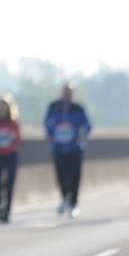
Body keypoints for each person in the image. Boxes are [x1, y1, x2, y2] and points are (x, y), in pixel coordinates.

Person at [44, 83, 92, 219]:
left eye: (70, 92)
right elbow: (47, 122)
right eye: (65, 91)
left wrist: (81, 136)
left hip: (75, 149)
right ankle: (65, 198)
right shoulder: (54, 106)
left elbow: (88, 125)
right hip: (59, 148)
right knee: (61, 176)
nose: (67, 94)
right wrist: (50, 134)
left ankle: (74, 204)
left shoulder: (78, 108)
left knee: (75, 177)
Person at [0, 94, 21, 223]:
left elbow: (18, 140)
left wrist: (11, 140)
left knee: (9, 184)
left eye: (4, 106)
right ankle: (0, 205)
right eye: (0, 106)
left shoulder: (14, 123)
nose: (2, 109)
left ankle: (7, 210)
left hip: (10, 155)